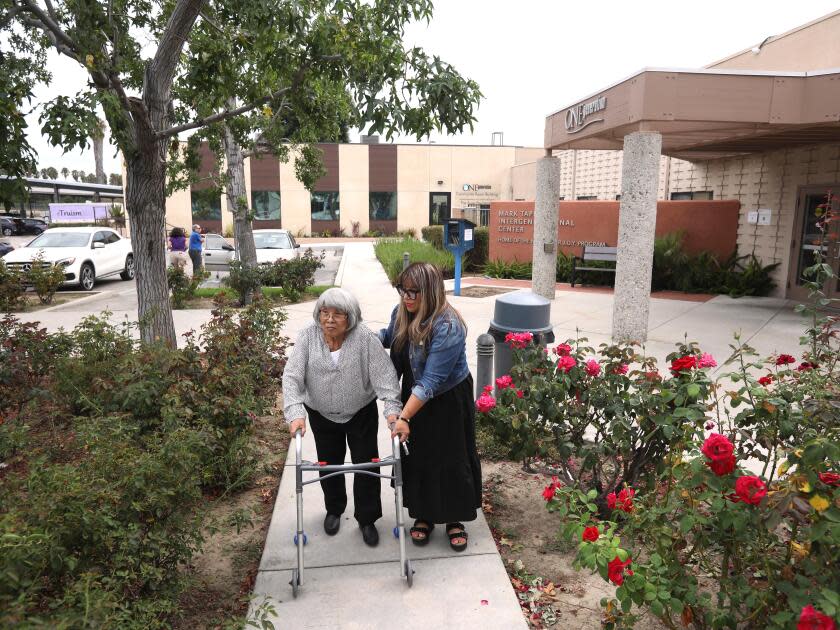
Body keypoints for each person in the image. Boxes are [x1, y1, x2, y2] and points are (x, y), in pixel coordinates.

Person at [283, 288, 404, 547]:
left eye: (337, 314)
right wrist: (295, 413)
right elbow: (292, 377)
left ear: (351, 317)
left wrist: (392, 410)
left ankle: (367, 518)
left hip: (361, 411)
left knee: (367, 463)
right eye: (324, 313)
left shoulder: (364, 339)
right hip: (321, 413)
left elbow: (385, 377)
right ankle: (334, 509)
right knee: (329, 463)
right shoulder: (307, 336)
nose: (329, 319)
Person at [379, 262, 482, 552]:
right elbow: (389, 338)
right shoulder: (401, 311)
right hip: (416, 388)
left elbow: (432, 380)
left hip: (447, 396)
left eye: (415, 292)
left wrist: (404, 416)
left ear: (432, 292)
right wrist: (360, 337)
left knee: (451, 455)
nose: (407, 297)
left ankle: (454, 519)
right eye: (404, 290)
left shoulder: (448, 325)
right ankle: (423, 514)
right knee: (420, 455)